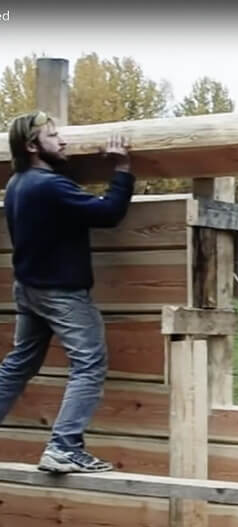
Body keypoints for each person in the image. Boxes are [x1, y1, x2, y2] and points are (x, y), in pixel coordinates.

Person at [1, 110, 134, 473]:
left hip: (28, 290)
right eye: (52, 135)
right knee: (89, 364)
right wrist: (122, 169)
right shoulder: (50, 186)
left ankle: (63, 444)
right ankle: (64, 446)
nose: (62, 140)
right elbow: (108, 213)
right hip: (61, 293)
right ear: (32, 145)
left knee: (20, 364)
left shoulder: (17, 184)